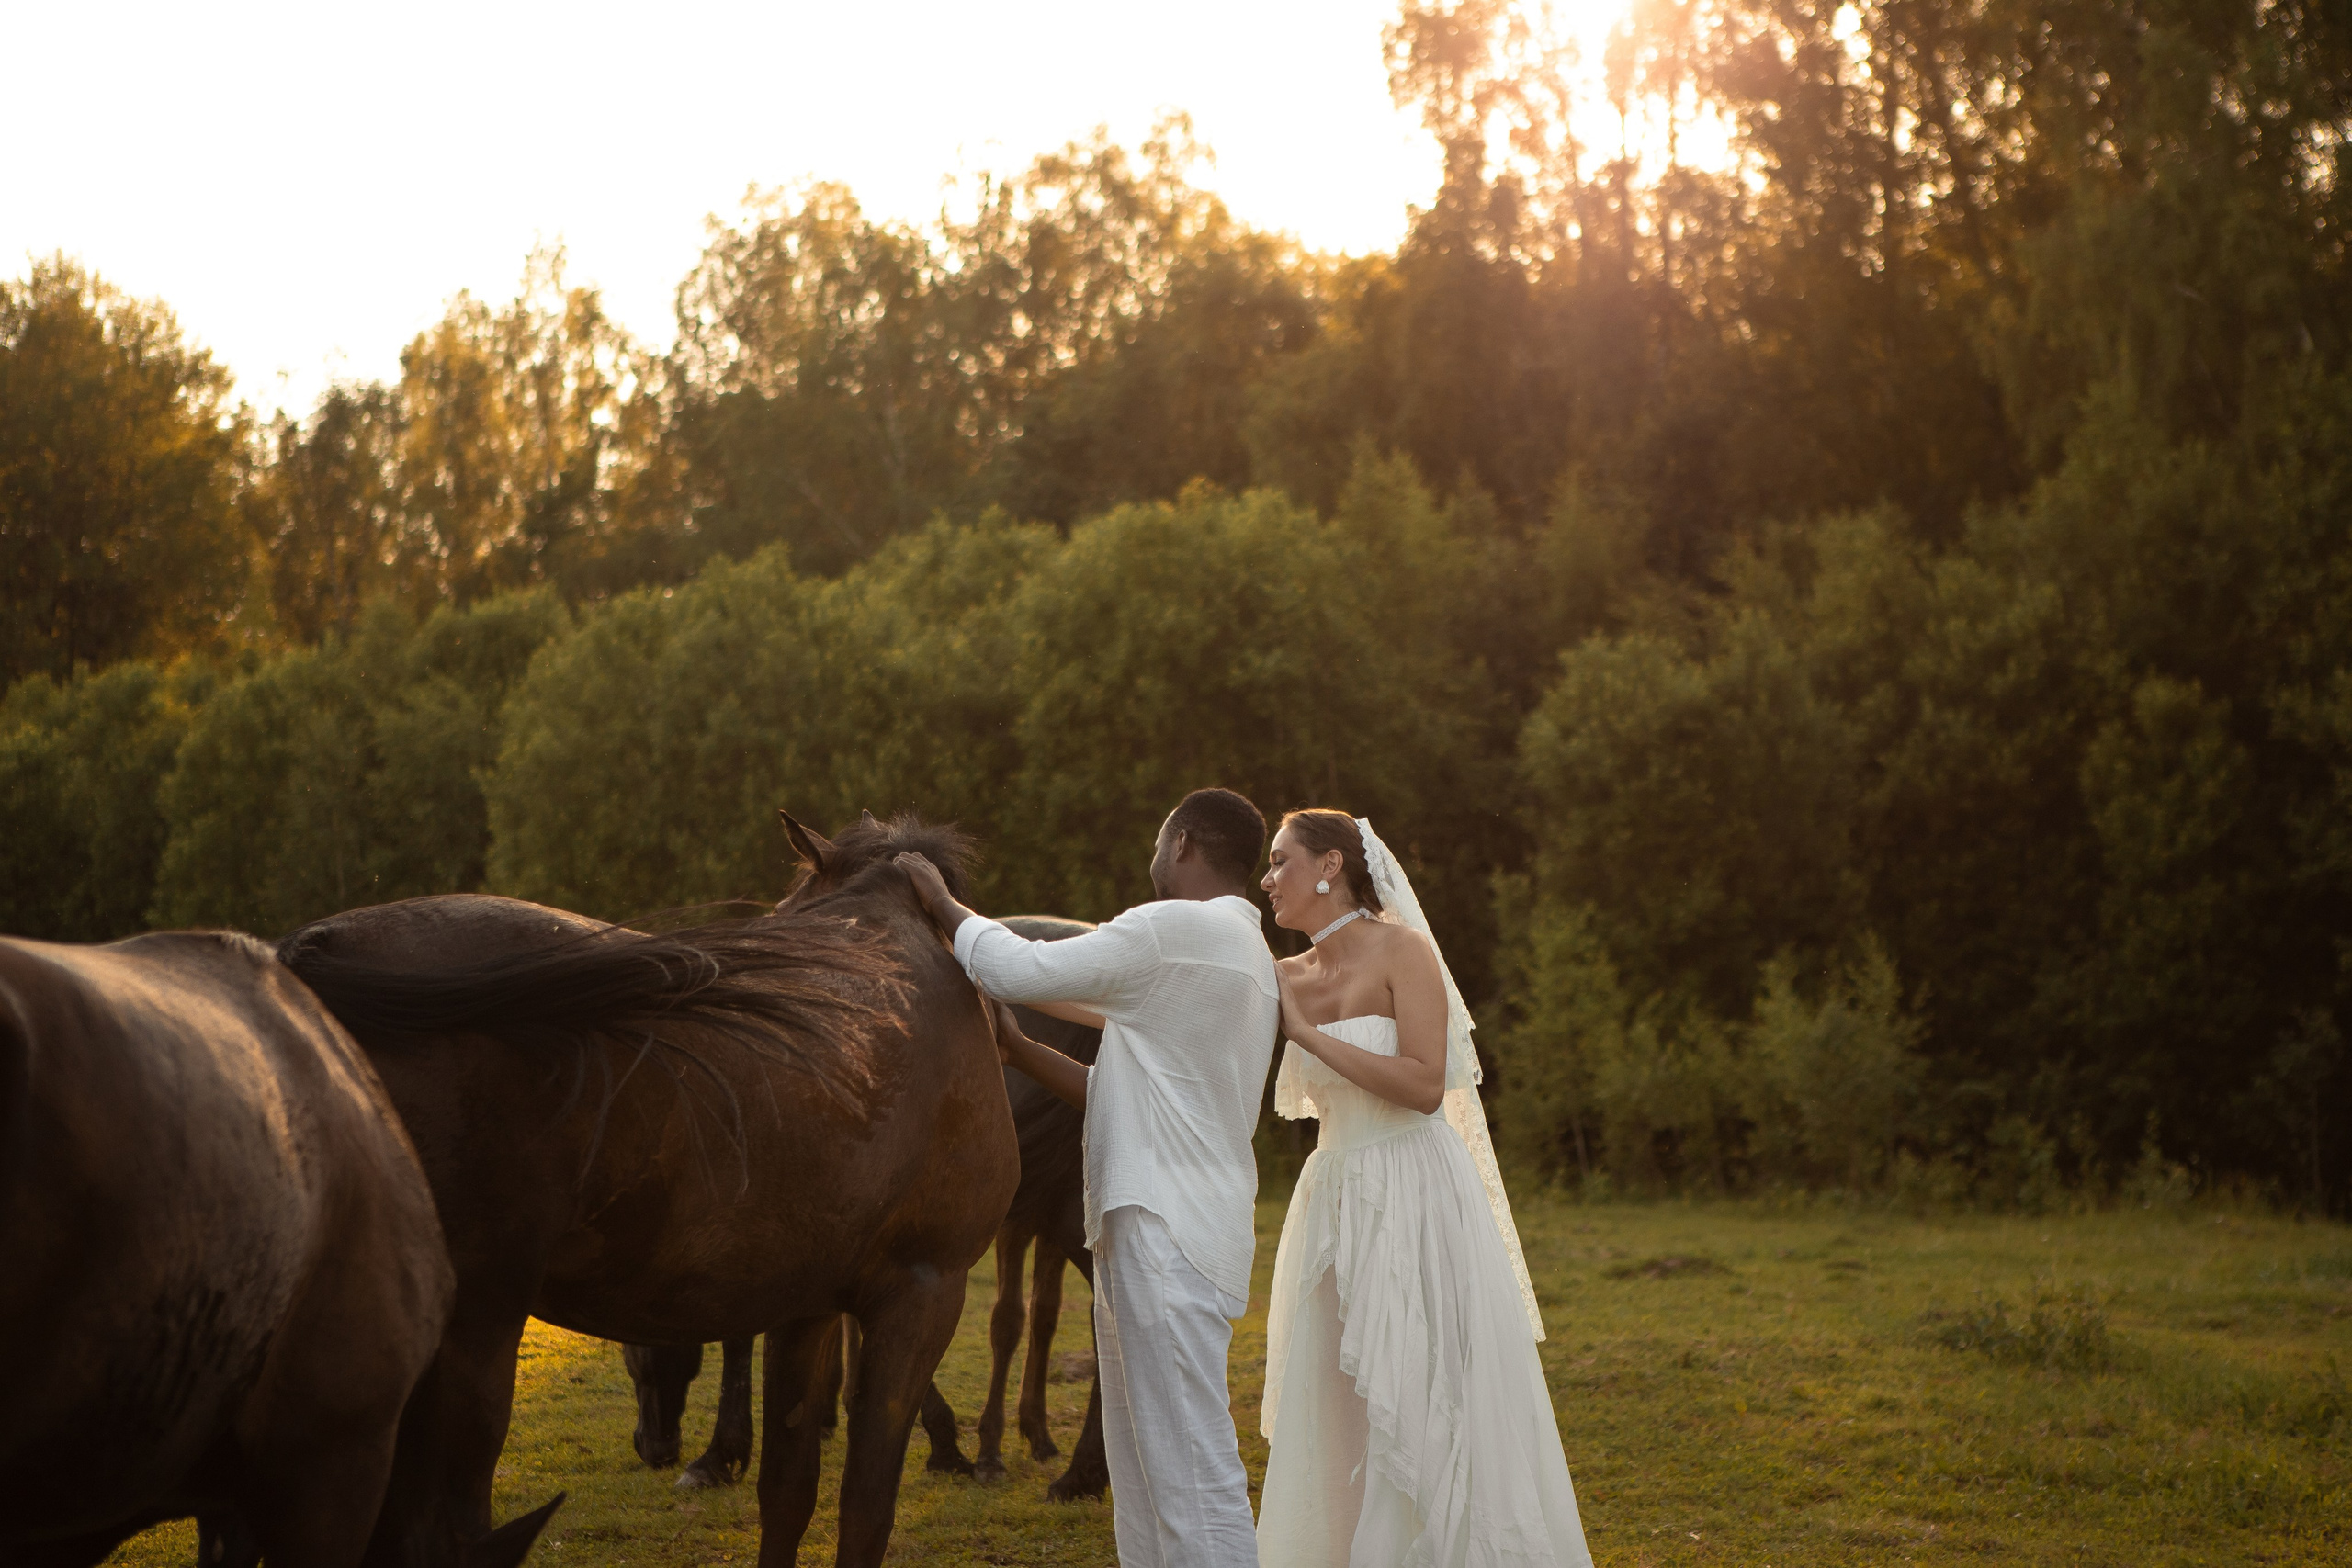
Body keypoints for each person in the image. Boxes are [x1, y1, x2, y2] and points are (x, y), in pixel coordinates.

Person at [895, 787, 1279, 1568]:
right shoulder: (1244, 953)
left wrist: (937, 896)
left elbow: (1013, 963)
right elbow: (1129, 1088)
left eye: (1158, 835)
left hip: (1162, 1229)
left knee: (1191, 1463)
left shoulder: (1173, 931)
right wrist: (1018, 1049)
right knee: (1153, 1461)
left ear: (1183, 842)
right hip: (1182, 1224)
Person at [1254, 809, 1591, 1568]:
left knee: (1426, 1378)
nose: (1268, 881)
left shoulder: (1403, 948)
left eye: (1279, 862)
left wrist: (1309, 1038)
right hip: (1334, 1195)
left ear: (1330, 864)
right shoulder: (1281, 975)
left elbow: (1423, 1085)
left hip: (1414, 1182)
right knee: (1344, 1391)